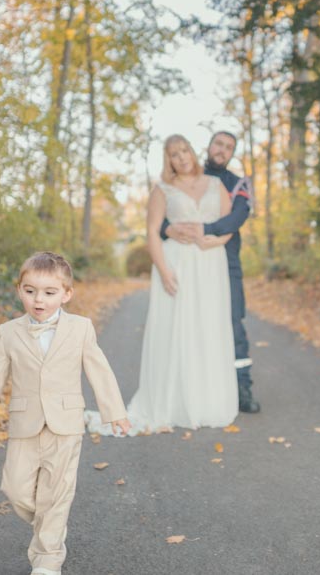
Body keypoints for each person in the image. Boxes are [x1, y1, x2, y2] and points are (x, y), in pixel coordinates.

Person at [0, 252, 130, 575]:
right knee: (16, 488)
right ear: (19, 290)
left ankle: (48, 559)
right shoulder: (8, 332)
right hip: (25, 423)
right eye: (30, 291)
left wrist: (114, 412)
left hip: (66, 423)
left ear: (66, 294)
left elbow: (99, 371)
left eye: (49, 293)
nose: (39, 300)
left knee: (58, 490)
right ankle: (51, 524)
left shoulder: (81, 328)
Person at [125, 134, 239, 431]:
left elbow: (230, 225)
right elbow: (152, 232)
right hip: (177, 265)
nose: (182, 158)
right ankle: (175, 401)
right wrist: (163, 270)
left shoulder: (216, 185)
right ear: (169, 160)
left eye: (185, 150)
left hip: (211, 265)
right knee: (178, 329)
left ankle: (209, 401)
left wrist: (215, 243)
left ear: (192, 151)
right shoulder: (163, 189)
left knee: (209, 328)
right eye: (174, 154)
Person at [165, 131, 260, 413]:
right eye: (219, 143)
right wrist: (166, 230)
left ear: (232, 153)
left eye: (229, 147)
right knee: (191, 323)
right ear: (208, 145)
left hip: (225, 263)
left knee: (232, 323)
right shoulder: (184, 177)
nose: (222, 150)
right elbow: (163, 216)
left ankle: (242, 389)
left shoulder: (237, 183)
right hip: (186, 264)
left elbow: (237, 217)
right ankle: (192, 388)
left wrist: (205, 230)